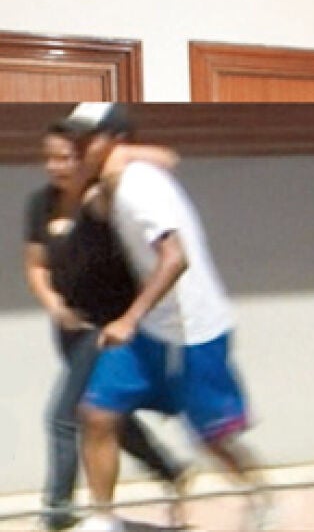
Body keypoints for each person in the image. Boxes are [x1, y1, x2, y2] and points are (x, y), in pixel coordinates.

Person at [46, 103, 271, 532]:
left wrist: (128, 319)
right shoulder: (112, 183)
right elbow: (154, 163)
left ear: (115, 141)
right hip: (151, 330)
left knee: (212, 438)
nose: (78, 148)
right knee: (96, 413)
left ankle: (259, 495)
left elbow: (175, 258)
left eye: (87, 139)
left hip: (192, 332)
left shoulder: (139, 188)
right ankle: (103, 519)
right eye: (75, 139)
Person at [24, 130, 190, 531]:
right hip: (69, 327)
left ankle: (57, 510)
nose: (56, 166)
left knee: (63, 416)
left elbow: (167, 159)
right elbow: (36, 265)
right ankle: (171, 469)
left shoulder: (102, 198)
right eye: (50, 158)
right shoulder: (41, 203)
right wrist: (54, 304)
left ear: (84, 158)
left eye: (66, 157)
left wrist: (118, 150)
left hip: (106, 327)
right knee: (108, 414)